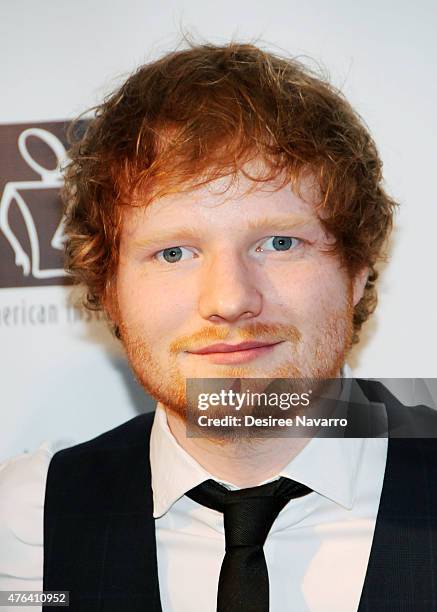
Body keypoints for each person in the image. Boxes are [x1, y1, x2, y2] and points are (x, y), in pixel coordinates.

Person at [1, 42, 436, 612]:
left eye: (280, 243)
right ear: (108, 288)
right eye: (174, 253)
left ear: (356, 269)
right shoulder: (27, 520)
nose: (230, 300)